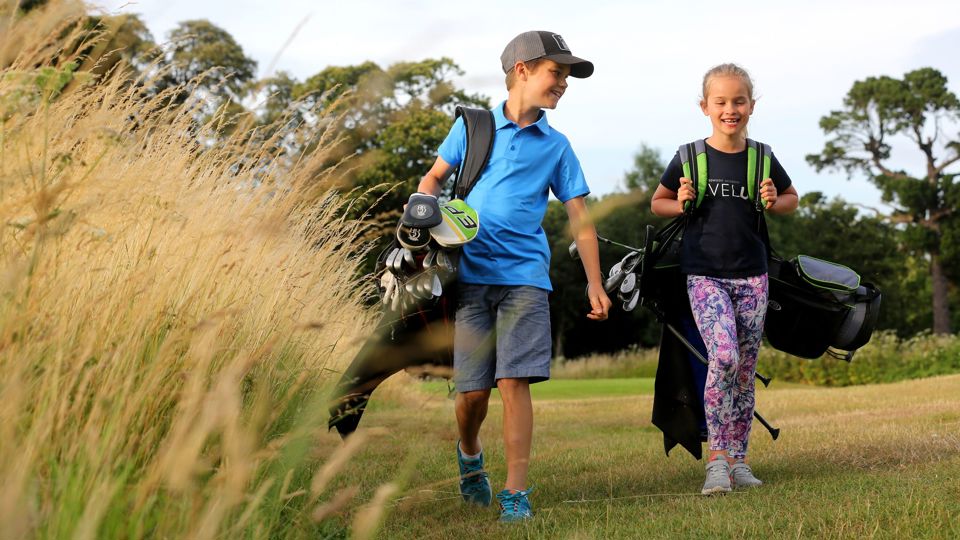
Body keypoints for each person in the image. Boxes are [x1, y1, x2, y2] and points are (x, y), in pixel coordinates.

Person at [416, 30, 611, 521]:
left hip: (526, 276)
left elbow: (580, 219)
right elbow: (433, 178)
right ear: (522, 70)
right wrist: (423, 211)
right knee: (473, 393)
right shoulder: (473, 128)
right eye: (556, 72)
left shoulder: (557, 146)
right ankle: (469, 454)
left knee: (514, 381)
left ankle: (515, 494)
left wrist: (595, 282)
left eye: (567, 76)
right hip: (471, 275)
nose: (563, 83)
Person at [650, 63, 799, 495]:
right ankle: (717, 460)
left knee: (745, 370)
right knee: (726, 358)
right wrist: (679, 202)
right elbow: (658, 203)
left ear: (752, 105)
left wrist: (776, 198)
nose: (730, 109)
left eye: (739, 101)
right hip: (703, 275)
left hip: (753, 277)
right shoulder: (689, 155)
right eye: (721, 102)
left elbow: (792, 198)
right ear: (705, 107)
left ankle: (739, 462)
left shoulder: (762, 156)